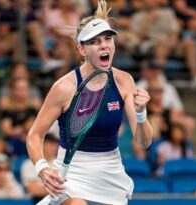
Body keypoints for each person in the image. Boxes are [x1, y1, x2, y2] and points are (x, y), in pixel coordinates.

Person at [26, 1, 153, 204]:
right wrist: (42, 168)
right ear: (81, 49)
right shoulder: (64, 87)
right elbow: (34, 135)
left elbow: (143, 142)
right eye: (94, 42)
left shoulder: (124, 81)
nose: (104, 45)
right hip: (71, 173)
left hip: (111, 174)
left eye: (107, 39)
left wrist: (141, 113)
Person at [21, 133, 59, 204]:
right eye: (51, 144)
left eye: (55, 144)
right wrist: (56, 189)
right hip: (36, 201)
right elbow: (34, 190)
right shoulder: (29, 164)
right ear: (42, 144)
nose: (54, 147)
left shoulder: (59, 163)